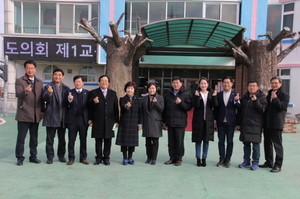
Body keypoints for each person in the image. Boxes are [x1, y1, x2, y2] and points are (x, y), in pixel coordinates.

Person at [15, 60, 44, 166]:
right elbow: (18, 94)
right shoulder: (19, 81)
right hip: (24, 113)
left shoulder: (39, 82)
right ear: (24, 69)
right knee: (21, 137)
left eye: (32, 68)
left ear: (35, 69)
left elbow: (41, 99)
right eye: (28, 68)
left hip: (36, 115)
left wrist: (42, 111)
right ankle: (20, 157)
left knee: (34, 137)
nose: (30, 70)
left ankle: (33, 156)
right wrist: (25, 91)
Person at [259, 76, 290, 173]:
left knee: (277, 145)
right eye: (272, 83)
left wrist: (276, 99)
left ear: (280, 84)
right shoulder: (269, 94)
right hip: (267, 123)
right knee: (267, 143)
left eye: (276, 83)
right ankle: (269, 162)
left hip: (276, 124)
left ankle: (278, 165)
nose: (274, 85)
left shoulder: (284, 95)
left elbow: (282, 107)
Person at [89, 75, 119, 166]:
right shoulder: (93, 93)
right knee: (98, 140)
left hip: (110, 121)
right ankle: (98, 158)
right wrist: (94, 102)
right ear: (99, 82)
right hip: (98, 120)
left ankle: (106, 158)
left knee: (108, 140)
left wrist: (116, 120)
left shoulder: (112, 93)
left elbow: (115, 108)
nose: (104, 82)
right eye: (102, 81)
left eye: (106, 81)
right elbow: (89, 107)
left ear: (108, 83)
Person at [237, 80, 267, 170]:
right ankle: (246, 161)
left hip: (256, 125)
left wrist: (256, 101)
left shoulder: (262, 98)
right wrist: (239, 123)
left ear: (257, 87)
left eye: (254, 86)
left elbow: (262, 110)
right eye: (250, 86)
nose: (252, 87)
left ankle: (255, 162)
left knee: (256, 145)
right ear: (247, 87)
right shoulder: (245, 97)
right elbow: (240, 111)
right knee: (246, 144)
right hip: (245, 125)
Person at [163, 76, 192, 166]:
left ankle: (179, 158)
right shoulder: (168, 94)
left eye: (177, 82)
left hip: (180, 122)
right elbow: (165, 109)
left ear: (181, 83)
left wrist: (181, 103)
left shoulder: (186, 94)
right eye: (174, 82)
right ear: (172, 84)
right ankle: (172, 158)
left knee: (179, 141)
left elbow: (188, 107)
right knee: (171, 142)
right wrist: (164, 121)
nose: (175, 84)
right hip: (170, 121)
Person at [43, 68, 70, 164]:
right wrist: (49, 93)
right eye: (55, 74)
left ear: (63, 77)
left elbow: (68, 103)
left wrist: (70, 100)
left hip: (63, 118)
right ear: (52, 76)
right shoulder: (48, 87)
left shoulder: (67, 88)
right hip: (51, 117)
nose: (57, 76)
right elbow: (44, 98)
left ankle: (61, 156)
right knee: (50, 139)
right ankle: (50, 157)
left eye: (59, 75)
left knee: (62, 139)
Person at [65, 75, 91, 165]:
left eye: (79, 81)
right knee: (71, 140)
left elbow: (90, 107)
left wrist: (90, 119)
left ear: (83, 83)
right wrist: (70, 100)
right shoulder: (69, 92)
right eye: (76, 81)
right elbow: (65, 105)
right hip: (72, 120)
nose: (78, 83)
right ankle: (71, 158)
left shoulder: (87, 93)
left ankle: (83, 158)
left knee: (83, 140)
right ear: (73, 83)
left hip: (83, 120)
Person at [214, 76, 240, 168]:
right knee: (221, 141)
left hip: (231, 122)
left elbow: (239, 108)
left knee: (230, 141)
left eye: (228, 82)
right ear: (222, 84)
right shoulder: (219, 94)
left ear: (232, 84)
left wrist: (237, 101)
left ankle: (228, 159)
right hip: (221, 121)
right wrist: (215, 121)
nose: (226, 84)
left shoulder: (235, 94)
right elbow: (216, 109)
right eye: (224, 82)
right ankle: (221, 159)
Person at [192, 77, 218, 167]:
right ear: (199, 85)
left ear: (208, 85)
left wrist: (214, 97)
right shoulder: (196, 93)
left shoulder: (211, 94)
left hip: (208, 120)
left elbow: (215, 105)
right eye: (201, 83)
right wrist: (196, 97)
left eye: (205, 83)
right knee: (198, 140)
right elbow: (196, 106)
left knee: (206, 141)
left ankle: (204, 158)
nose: (203, 85)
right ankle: (198, 159)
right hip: (198, 120)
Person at [116, 81, 142, 165]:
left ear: (134, 90)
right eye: (128, 88)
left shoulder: (138, 100)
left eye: (131, 88)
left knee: (132, 142)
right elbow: (122, 109)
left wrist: (140, 124)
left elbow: (140, 113)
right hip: (124, 123)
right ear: (125, 89)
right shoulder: (122, 99)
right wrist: (126, 106)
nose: (130, 90)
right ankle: (124, 157)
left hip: (134, 123)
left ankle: (130, 157)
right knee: (124, 141)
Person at [141, 81, 164, 165]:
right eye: (150, 88)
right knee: (147, 142)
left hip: (156, 122)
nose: (151, 90)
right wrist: (141, 123)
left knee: (155, 141)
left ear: (156, 89)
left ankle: (154, 158)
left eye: (153, 88)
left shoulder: (160, 98)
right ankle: (148, 157)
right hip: (147, 122)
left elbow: (161, 109)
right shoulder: (144, 98)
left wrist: (156, 103)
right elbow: (142, 111)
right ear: (148, 89)